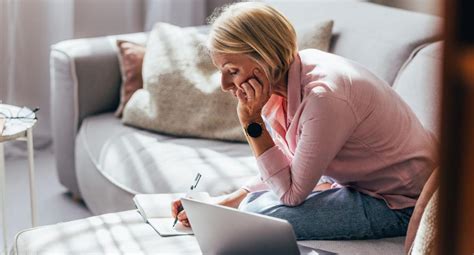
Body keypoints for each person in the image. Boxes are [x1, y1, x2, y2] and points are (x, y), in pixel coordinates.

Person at [172, 2, 438, 240]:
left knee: (253, 215)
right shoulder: (285, 82)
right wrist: (222, 203)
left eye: (232, 71)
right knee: (242, 210)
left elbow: (291, 194)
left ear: (264, 58)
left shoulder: (323, 97)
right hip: (355, 183)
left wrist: (252, 124)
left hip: (400, 203)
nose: (224, 85)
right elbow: (288, 165)